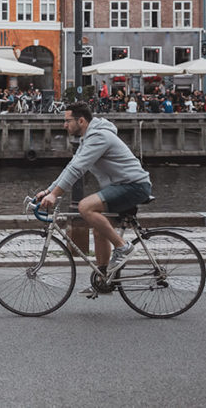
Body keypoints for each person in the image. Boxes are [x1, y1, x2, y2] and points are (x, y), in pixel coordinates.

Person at [35, 102, 152, 296]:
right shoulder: (88, 139)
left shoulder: (98, 137)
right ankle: (104, 280)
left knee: (85, 207)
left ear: (81, 120)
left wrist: (55, 195)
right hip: (120, 186)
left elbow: (77, 169)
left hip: (134, 185)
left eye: (67, 121)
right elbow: (71, 166)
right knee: (99, 231)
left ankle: (123, 247)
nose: (64, 125)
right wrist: (49, 190)